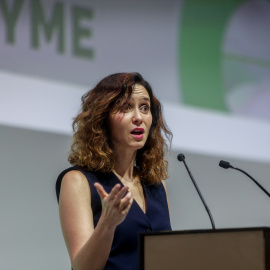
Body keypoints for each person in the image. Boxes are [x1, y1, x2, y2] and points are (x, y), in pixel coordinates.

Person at [55, 72, 172, 270]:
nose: (138, 117)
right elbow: (82, 267)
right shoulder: (78, 181)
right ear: (102, 118)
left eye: (144, 108)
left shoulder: (156, 186)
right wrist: (107, 224)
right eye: (126, 108)